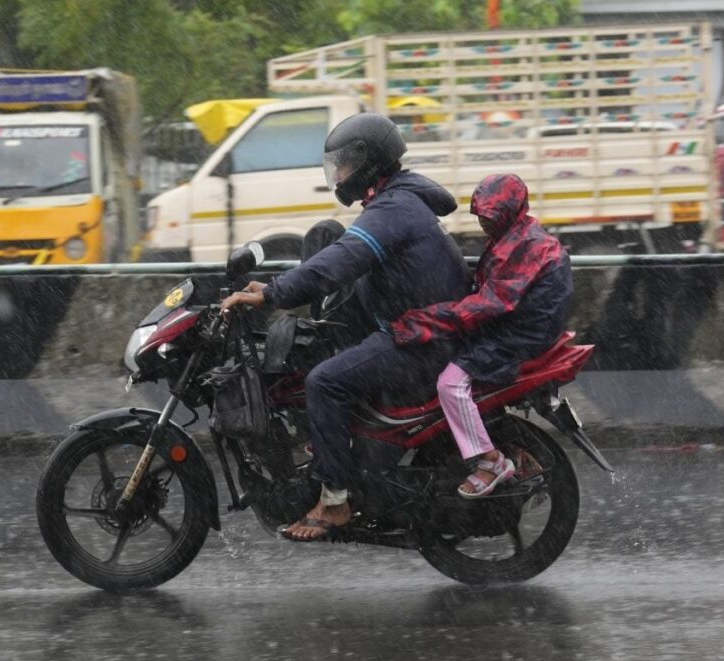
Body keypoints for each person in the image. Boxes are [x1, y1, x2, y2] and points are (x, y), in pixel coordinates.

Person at [220, 112, 470, 541]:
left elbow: (342, 260)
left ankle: (335, 500)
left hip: (421, 341)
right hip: (416, 327)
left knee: (325, 383)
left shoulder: (394, 209)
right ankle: (334, 452)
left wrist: (272, 294)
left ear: (369, 162)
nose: (339, 174)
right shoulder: (397, 200)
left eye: (345, 164)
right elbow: (342, 255)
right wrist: (277, 288)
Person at [391, 173, 573, 498]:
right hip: (516, 326)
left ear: (508, 212)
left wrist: (424, 321)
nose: (484, 224)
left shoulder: (525, 246)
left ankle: (490, 462)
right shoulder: (515, 235)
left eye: (491, 217)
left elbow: (488, 305)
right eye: (481, 217)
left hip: (518, 336)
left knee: (450, 384)